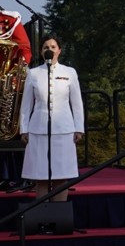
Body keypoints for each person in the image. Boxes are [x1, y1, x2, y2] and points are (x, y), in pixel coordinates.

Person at [19, 36, 85, 202]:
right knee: (40, 175)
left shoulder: (69, 72)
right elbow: (26, 105)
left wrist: (79, 128)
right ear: (41, 52)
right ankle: (42, 216)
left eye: (53, 46)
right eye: (46, 47)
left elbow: (76, 103)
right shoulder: (33, 74)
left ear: (59, 50)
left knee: (61, 176)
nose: (50, 49)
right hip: (38, 130)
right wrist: (24, 129)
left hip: (64, 130)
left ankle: (59, 216)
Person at [1, 9, 32, 192]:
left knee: (11, 132)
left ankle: (17, 176)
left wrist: (14, 76)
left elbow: (24, 50)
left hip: (7, 83)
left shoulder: (9, 19)